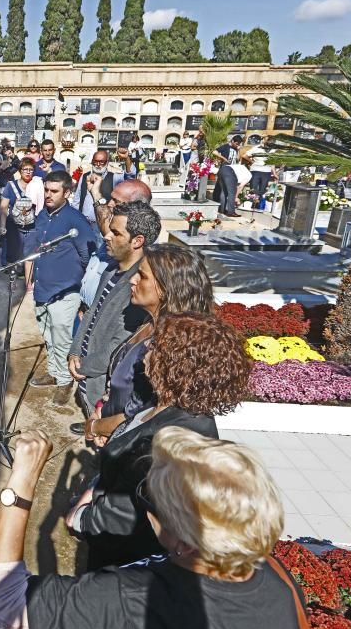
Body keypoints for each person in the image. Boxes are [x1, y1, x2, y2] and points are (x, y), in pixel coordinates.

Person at [0, 424, 305, 629]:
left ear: (185, 541)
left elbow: (0, 597)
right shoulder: (278, 579)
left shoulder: (131, 601)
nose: (143, 501)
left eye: (147, 495)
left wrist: (21, 482)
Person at [68, 312, 252, 569]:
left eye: (155, 345)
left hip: (124, 564)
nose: (146, 345)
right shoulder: (168, 406)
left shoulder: (169, 443)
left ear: (177, 364)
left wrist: (80, 517)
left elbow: (117, 520)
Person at [85, 244, 215, 443]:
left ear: (166, 288)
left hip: (133, 444)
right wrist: (102, 409)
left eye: (142, 276)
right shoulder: (147, 323)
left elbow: (144, 414)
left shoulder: (168, 349)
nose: (132, 279)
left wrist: (95, 427)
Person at [68, 200, 160, 415]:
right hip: (85, 373)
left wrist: (84, 366)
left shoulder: (141, 286)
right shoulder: (111, 269)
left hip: (101, 384)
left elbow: (120, 344)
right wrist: (74, 352)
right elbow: (90, 313)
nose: (107, 236)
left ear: (137, 241)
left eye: (116, 233)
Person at [28, 171, 95, 395]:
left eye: (54, 191)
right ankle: (54, 371)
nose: (48, 195)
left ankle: (65, 380)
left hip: (65, 290)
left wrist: (81, 291)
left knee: (62, 336)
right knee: (48, 335)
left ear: (67, 193)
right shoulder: (42, 215)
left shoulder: (75, 220)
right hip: (43, 288)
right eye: (46, 190)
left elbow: (88, 256)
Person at [0, 158, 45, 273]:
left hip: (31, 225)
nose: (28, 172)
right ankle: (12, 277)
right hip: (14, 224)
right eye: (25, 169)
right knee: (13, 253)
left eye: (31, 169)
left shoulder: (37, 185)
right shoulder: (11, 185)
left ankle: (27, 277)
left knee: (29, 252)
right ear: (20, 170)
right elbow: (3, 206)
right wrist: (2, 225)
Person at [71, 150, 126, 226]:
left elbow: (130, 177)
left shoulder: (114, 177)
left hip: (102, 225)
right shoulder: (84, 177)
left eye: (101, 162)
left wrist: (127, 159)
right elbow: (76, 201)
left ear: (107, 162)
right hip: (83, 223)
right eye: (95, 161)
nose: (98, 164)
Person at [212, 134, 244, 217]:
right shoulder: (225, 147)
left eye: (239, 144)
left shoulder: (235, 149)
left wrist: (238, 150)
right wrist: (223, 158)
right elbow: (214, 151)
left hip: (233, 169)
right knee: (230, 191)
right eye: (236, 143)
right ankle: (230, 211)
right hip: (226, 169)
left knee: (224, 191)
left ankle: (222, 209)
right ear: (232, 141)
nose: (237, 145)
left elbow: (237, 159)